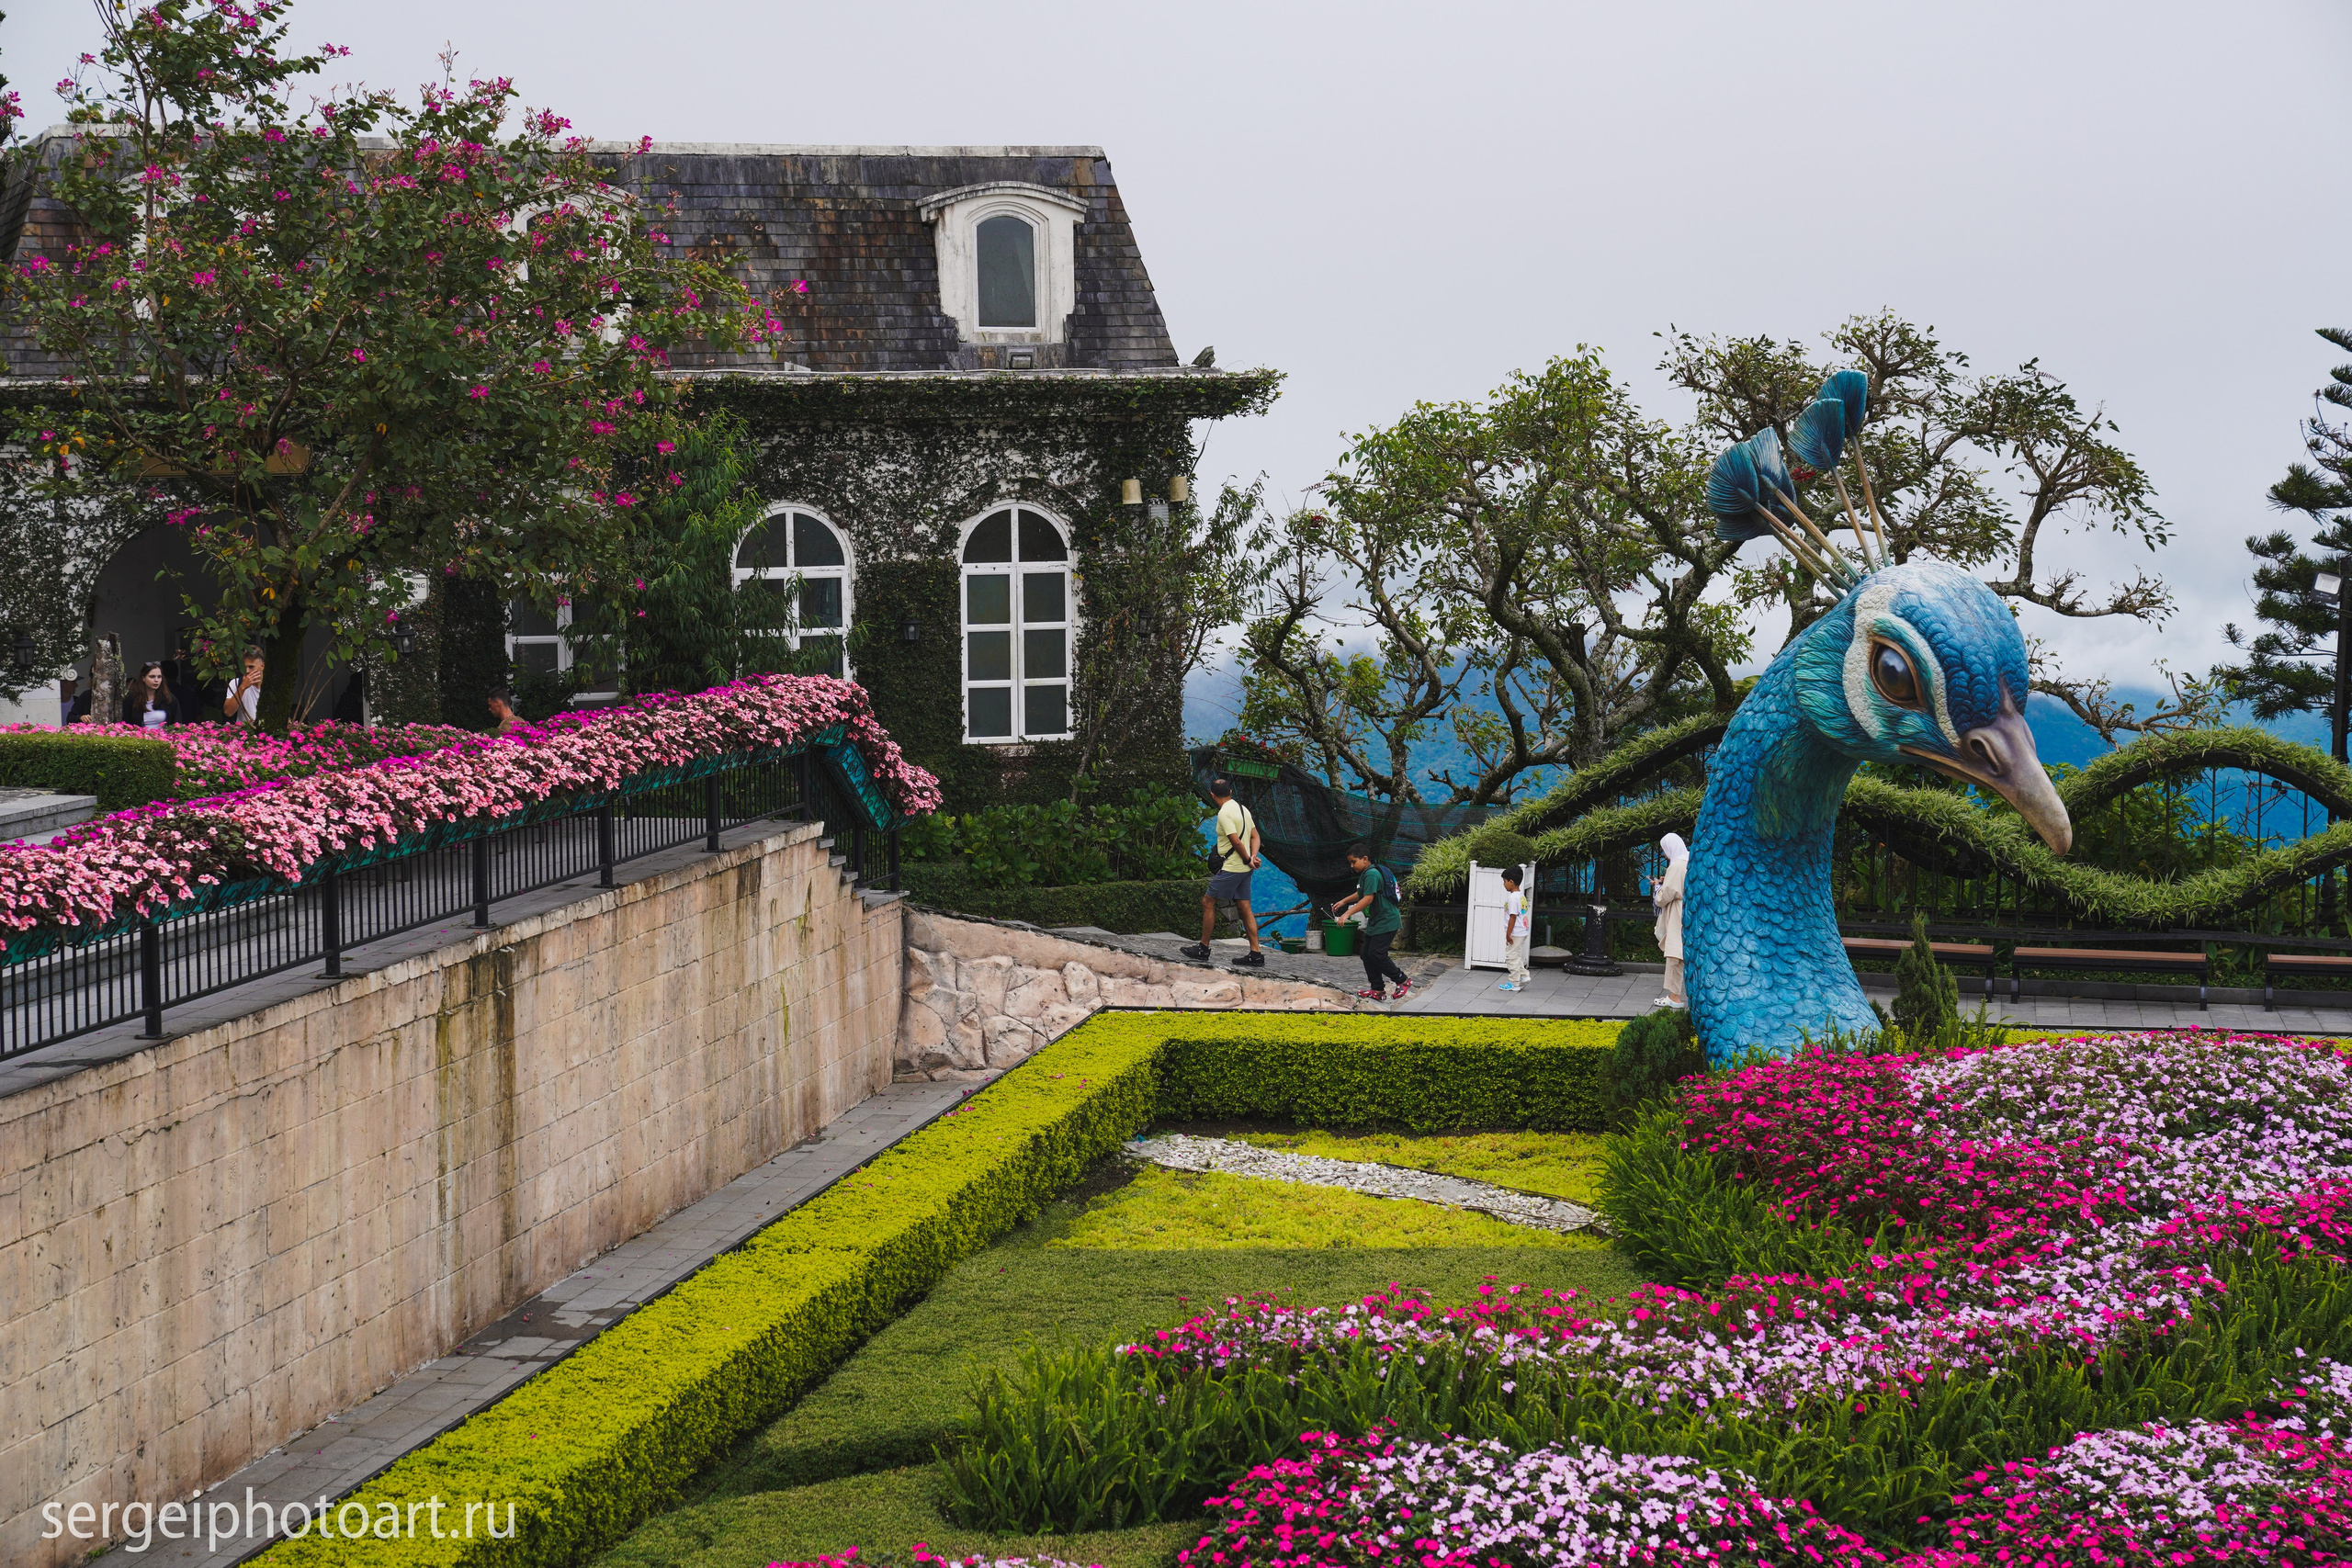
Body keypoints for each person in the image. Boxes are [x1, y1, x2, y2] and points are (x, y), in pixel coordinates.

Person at [1184, 776, 1265, 966]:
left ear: (1212, 795)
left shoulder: (1224, 813)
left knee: (1207, 901)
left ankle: (1203, 949)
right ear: (1230, 792)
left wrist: (1247, 859)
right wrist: (1253, 857)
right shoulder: (1243, 809)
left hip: (1232, 867)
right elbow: (1255, 836)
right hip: (1244, 869)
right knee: (1244, 907)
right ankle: (1256, 954)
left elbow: (1235, 841)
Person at [1330, 842, 1411, 1002]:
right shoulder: (1366, 874)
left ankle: (1402, 980)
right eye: (1350, 862)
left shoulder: (1372, 874)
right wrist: (1344, 901)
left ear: (1365, 859)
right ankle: (1377, 989)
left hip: (1387, 920)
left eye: (1354, 862)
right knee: (1366, 955)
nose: (1352, 866)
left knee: (1376, 954)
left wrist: (1346, 914)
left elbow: (1368, 899)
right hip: (1376, 920)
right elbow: (1361, 893)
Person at [1653, 831, 1689, 1009]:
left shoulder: (1676, 866)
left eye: (1664, 849)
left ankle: (1675, 997)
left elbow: (1663, 897)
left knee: (1675, 954)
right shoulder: (1689, 860)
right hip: (1689, 910)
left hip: (1677, 914)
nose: (1665, 854)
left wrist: (1658, 887)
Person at [1498, 865, 1531, 993]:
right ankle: (1523, 975)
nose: (1504, 885)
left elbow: (1513, 917)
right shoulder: (1520, 896)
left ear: (1511, 882)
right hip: (1522, 931)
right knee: (1516, 955)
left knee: (1511, 956)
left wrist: (1508, 934)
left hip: (1515, 932)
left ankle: (1514, 983)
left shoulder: (1513, 898)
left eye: (1504, 881)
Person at [123, 660, 180, 728]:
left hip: (164, 735)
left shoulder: (168, 698)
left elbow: (177, 724)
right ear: (143, 678)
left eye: (159, 677)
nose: (156, 680)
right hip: (139, 735)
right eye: (152, 677)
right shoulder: (131, 699)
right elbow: (126, 724)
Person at [223, 647, 265, 725]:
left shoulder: (272, 686)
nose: (247, 671)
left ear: (262, 666)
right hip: (243, 731)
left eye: (251, 667)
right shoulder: (236, 683)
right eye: (245, 667)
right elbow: (228, 712)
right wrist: (242, 688)